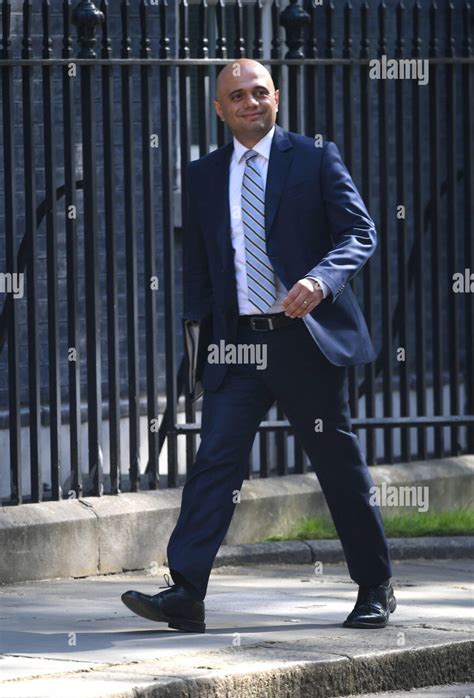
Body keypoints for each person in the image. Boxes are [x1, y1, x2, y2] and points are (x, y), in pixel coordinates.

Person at [122, 59, 396, 634]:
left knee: (337, 464)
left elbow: (360, 232)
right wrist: (199, 343)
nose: (250, 103)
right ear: (220, 109)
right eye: (237, 96)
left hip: (304, 342)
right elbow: (198, 269)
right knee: (214, 463)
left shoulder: (315, 158)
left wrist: (321, 280)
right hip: (237, 347)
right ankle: (186, 593)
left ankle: (375, 586)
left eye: (259, 92)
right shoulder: (202, 175)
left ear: (277, 97)